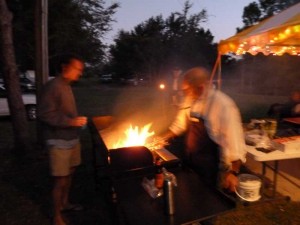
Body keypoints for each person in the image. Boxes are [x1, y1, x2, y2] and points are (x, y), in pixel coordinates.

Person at [160, 67, 247, 192]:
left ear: (200, 87)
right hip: (192, 161)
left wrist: (233, 173)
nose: (184, 94)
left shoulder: (223, 104)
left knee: (210, 200)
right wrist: (160, 138)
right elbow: (179, 125)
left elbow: (235, 142)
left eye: (186, 90)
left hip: (213, 167)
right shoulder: (190, 99)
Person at [38, 54, 87, 225]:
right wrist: (71, 122)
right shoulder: (53, 86)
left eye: (81, 70)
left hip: (71, 138)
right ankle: (56, 216)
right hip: (58, 140)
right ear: (64, 67)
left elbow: (62, 111)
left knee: (70, 173)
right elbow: (45, 114)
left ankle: (65, 203)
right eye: (77, 69)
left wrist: (76, 121)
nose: (79, 73)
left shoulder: (66, 86)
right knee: (60, 179)